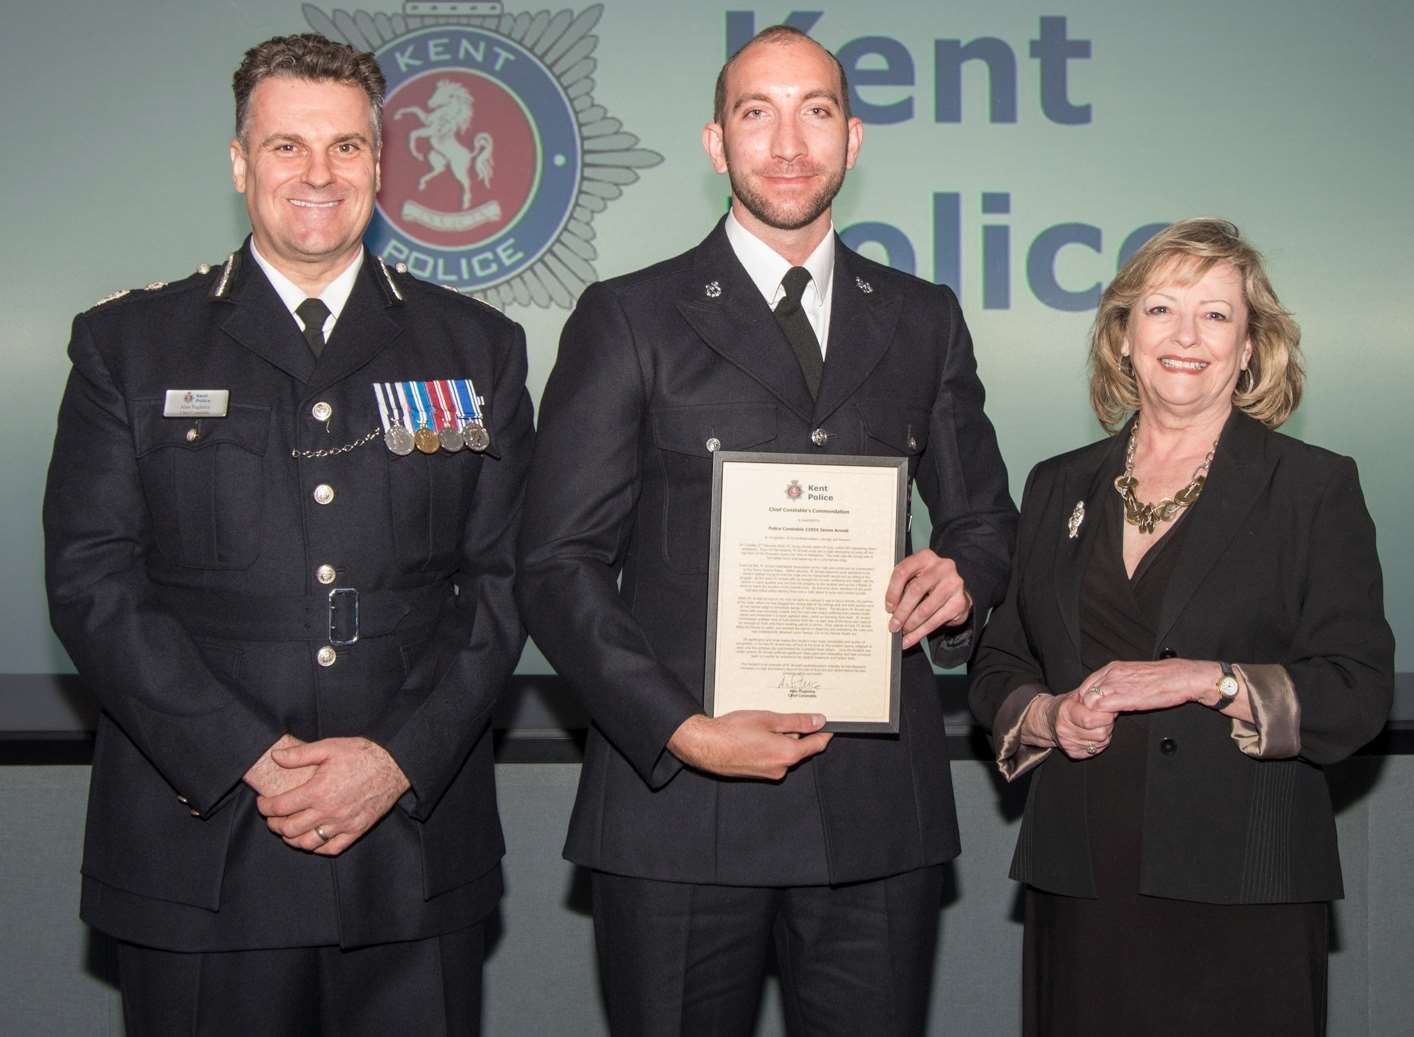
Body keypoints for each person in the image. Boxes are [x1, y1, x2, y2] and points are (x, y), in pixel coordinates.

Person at [516, 24, 1017, 1036]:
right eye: (758, 112)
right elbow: (555, 561)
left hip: (875, 810)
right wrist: (680, 728)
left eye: (815, 111)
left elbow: (982, 518)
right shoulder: (628, 317)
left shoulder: (922, 317)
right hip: (678, 815)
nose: (788, 141)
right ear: (715, 143)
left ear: (853, 138)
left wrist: (963, 577)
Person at [43, 33, 533, 1036]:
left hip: (405, 843)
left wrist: (393, 759)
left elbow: (505, 581)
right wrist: (253, 756)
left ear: (383, 164)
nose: (318, 174)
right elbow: (92, 581)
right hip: (203, 840)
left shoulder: (474, 346)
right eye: (286, 147)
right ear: (238, 162)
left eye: (347, 147)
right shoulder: (129, 345)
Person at [968, 217, 1394, 1036]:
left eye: (1216, 314)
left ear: (1250, 347)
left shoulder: (1312, 488)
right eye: (1161, 310)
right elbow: (998, 663)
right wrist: (1049, 716)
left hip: (1247, 889)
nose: (1186, 336)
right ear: (1123, 336)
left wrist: (1214, 680)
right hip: (1083, 884)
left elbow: (1359, 688)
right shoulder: (1057, 485)